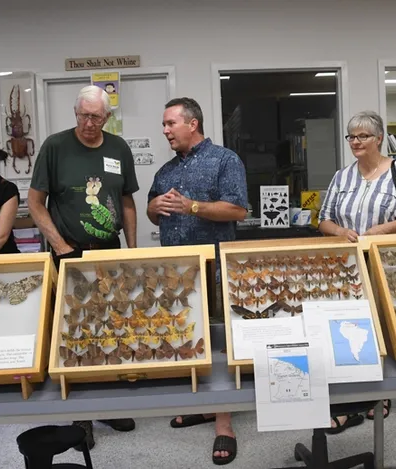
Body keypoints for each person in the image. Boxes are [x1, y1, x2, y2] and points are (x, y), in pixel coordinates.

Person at [28, 85, 139, 450]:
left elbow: (126, 201)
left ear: (107, 118)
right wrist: (61, 247)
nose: (88, 123)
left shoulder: (118, 148)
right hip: (69, 253)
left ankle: (107, 403)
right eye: (82, 115)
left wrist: (134, 251)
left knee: (111, 326)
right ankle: (81, 417)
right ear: (75, 113)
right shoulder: (55, 147)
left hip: (108, 252)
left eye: (96, 117)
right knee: (78, 332)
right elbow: (36, 203)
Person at [148, 97, 247, 465]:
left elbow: (237, 209)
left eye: (170, 123)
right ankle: (203, 405)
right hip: (177, 275)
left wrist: (192, 206)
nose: (165, 130)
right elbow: (152, 209)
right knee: (188, 340)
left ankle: (224, 424)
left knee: (219, 348)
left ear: (192, 124)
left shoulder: (225, 160)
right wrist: (154, 208)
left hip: (216, 273)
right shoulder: (166, 170)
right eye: (164, 124)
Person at [319, 110, 396, 432]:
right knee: (346, 332)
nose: (356, 141)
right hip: (346, 266)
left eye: (363, 136)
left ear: (379, 138)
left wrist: (382, 230)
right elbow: (323, 218)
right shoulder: (342, 177)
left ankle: (379, 397)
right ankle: (346, 402)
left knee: (378, 331)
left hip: (382, 263)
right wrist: (339, 232)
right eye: (351, 136)